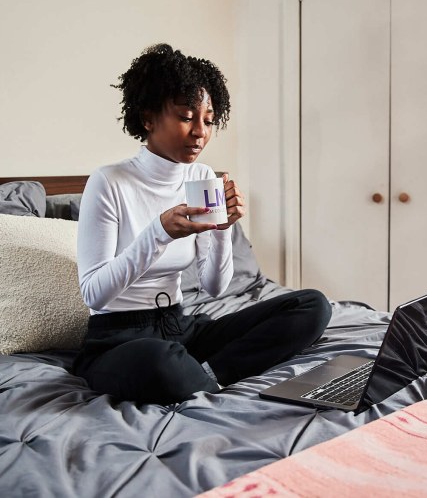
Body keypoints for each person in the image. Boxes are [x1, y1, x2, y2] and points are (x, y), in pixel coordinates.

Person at [73, 43, 332, 405]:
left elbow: (213, 288)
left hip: (179, 325)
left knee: (312, 306)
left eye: (208, 120)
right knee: (159, 360)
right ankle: (197, 376)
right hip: (119, 337)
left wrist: (222, 230)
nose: (200, 132)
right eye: (185, 117)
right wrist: (159, 233)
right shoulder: (109, 182)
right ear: (148, 118)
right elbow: (94, 293)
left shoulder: (202, 176)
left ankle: (208, 377)